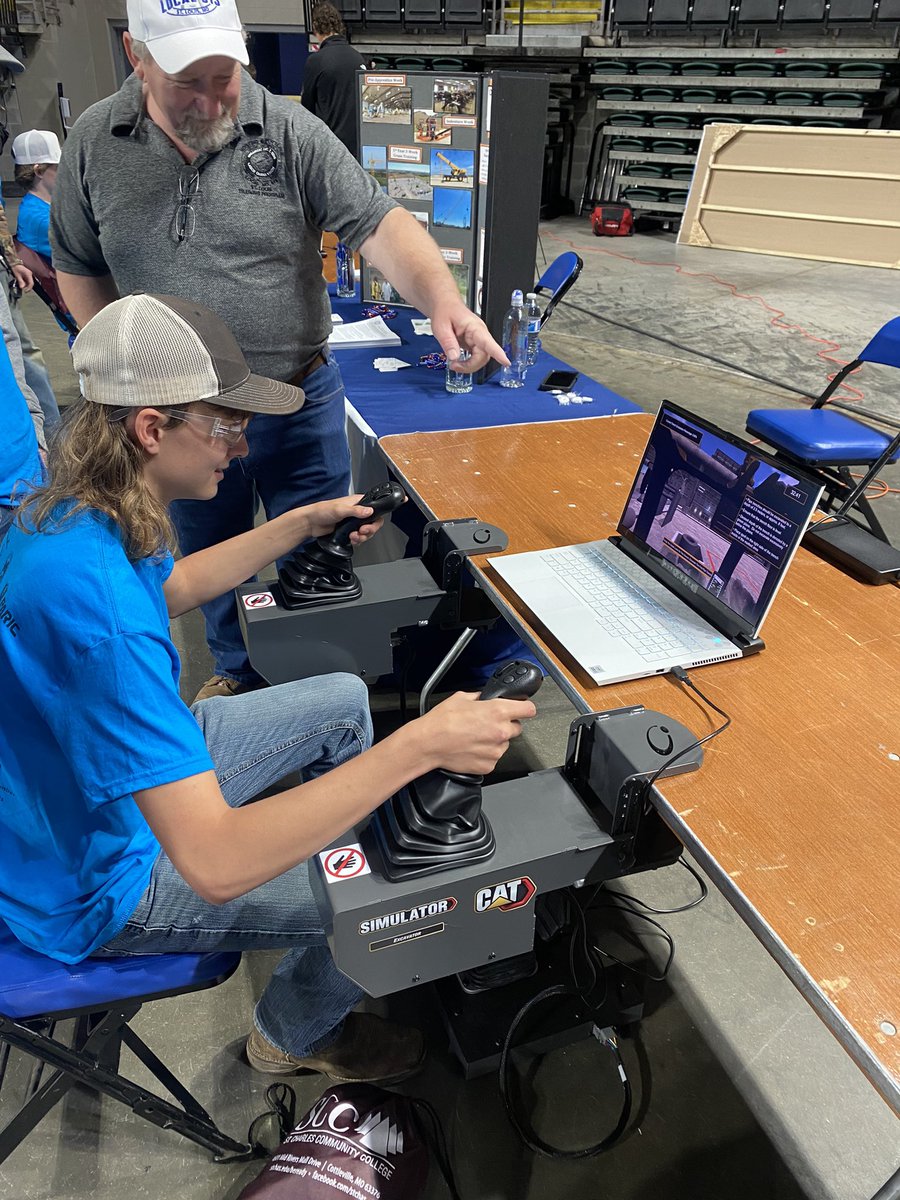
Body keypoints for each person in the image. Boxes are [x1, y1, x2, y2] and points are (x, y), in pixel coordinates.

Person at [0, 292, 536, 1081]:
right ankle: (295, 1032)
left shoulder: (75, 514)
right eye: (225, 426)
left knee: (342, 702)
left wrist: (295, 526)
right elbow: (213, 862)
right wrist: (421, 745)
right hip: (97, 882)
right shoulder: (100, 615)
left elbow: (172, 588)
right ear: (152, 428)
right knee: (401, 883)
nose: (242, 447)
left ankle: (323, 867)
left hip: (71, 800)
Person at [52, 0, 506, 705]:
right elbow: (79, 263)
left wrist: (444, 302)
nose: (211, 100)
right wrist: (118, 367)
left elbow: (377, 222)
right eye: (186, 84)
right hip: (178, 421)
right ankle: (239, 668)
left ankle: (322, 676)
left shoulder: (291, 131)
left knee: (322, 549)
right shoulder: (92, 142)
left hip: (293, 398)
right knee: (202, 556)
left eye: (224, 77)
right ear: (135, 56)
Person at [301, 3, 366, 158]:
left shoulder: (316, 61)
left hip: (330, 149)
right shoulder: (357, 57)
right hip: (356, 148)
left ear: (315, 27)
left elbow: (306, 109)